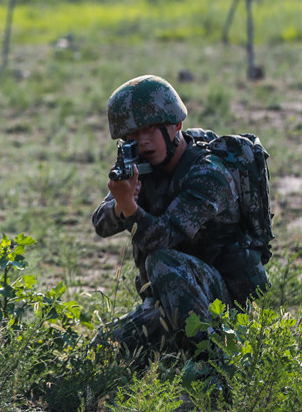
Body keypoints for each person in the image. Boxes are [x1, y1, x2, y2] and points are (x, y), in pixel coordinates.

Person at [91, 75, 268, 355]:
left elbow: (162, 240)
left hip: (224, 304)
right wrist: (119, 203)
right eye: (132, 136)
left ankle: (210, 364)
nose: (143, 142)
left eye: (150, 130)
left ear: (176, 125)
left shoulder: (208, 173)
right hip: (169, 301)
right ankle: (176, 355)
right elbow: (100, 223)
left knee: (162, 261)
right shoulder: (143, 168)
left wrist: (130, 208)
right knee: (102, 350)